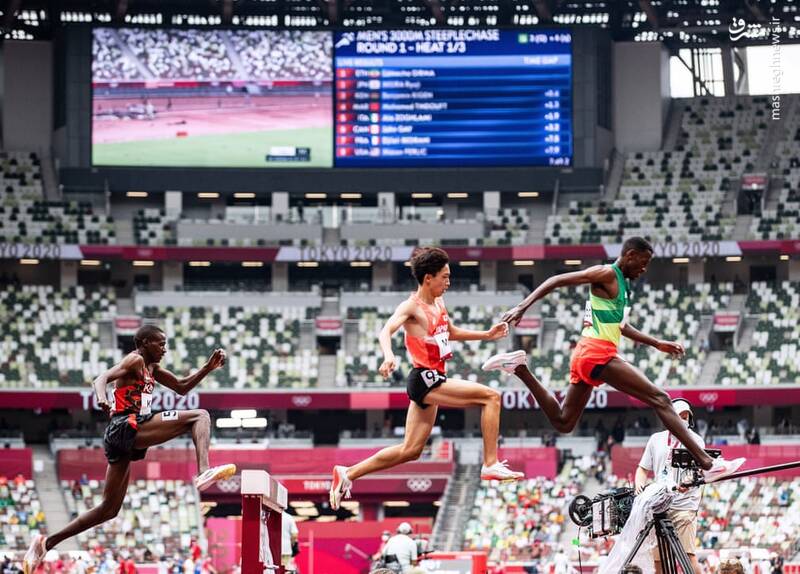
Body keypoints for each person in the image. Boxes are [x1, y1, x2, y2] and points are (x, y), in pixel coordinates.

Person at [482, 236, 744, 482]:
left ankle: (520, 368)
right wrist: (522, 306)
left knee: (563, 421)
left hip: (588, 354)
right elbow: (557, 279)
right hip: (597, 353)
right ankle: (707, 463)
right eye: (642, 263)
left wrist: (656, 343)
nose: (644, 269)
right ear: (630, 256)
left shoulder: (622, 285)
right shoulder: (606, 273)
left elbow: (621, 326)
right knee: (661, 399)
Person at [23, 325, 236, 574]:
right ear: (144, 343)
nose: (165, 349)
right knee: (200, 416)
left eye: (166, 344)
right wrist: (102, 398)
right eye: (160, 344)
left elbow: (181, 386)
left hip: (128, 431)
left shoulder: (152, 368)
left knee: (109, 509)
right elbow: (101, 378)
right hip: (126, 425)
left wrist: (207, 368)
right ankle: (203, 471)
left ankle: (45, 544)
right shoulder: (134, 361)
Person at [329, 248, 522, 509]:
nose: (449, 282)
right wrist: (389, 355)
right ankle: (490, 463)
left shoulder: (439, 302)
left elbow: (450, 332)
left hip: (433, 378)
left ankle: (348, 473)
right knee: (491, 397)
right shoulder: (411, 306)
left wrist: (487, 335)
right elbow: (386, 330)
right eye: (445, 277)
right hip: (425, 379)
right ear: (428, 278)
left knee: (411, 450)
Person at [635, 399, 704, 574]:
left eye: (686, 416)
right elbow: (642, 469)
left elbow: (698, 471)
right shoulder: (656, 439)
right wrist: (639, 487)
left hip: (684, 506)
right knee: (659, 560)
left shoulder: (696, 440)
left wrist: (688, 483)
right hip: (660, 505)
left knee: (688, 556)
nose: (683, 420)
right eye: (679, 415)